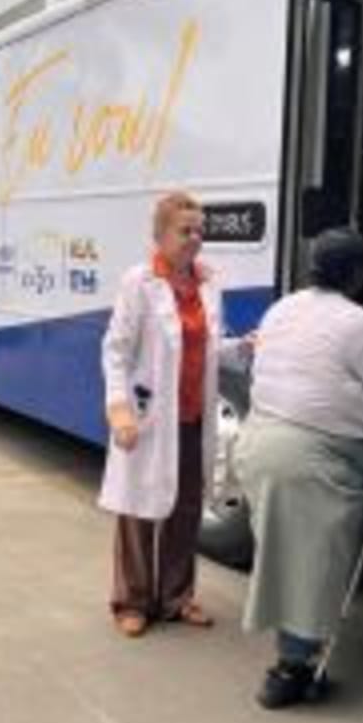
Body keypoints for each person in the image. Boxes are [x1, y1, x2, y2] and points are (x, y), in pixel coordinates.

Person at [238, 227, 363, 709]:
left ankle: (292, 654)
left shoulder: (281, 308)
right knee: (311, 562)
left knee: (288, 553)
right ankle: (291, 669)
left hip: (258, 446)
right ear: (357, 275)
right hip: (321, 458)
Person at [99, 191, 250, 638]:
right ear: (161, 234)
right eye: (185, 230)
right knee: (139, 509)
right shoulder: (139, 282)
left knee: (185, 509)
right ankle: (132, 601)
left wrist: (243, 345)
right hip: (147, 417)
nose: (195, 238)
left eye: (200, 230)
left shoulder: (207, 282)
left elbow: (203, 345)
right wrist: (120, 408)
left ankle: (177, 597)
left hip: (192, 416)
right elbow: (116, 350)